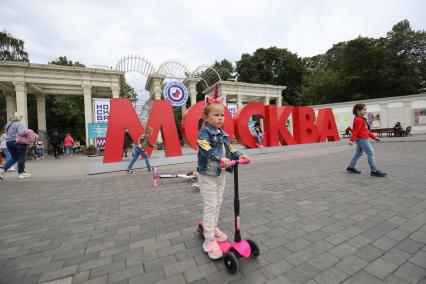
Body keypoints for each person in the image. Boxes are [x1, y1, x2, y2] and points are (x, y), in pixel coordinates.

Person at [197, 88, 250, 259]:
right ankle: (209, 239)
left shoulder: (224, 134)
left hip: (220, 173)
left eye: (222, 115)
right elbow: (206, 149)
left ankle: (211, 226)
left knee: (218, 202)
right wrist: (220, 157)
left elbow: (231, 148)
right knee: (211, 205)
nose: (220, 118)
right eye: (216, 115)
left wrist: (240, 156)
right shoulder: (203, 133)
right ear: (206, 118)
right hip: (208, 174)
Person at [347, 104, 387, 177]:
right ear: (358, 111)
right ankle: (374, 171)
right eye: (364, 110)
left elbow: (366, 130)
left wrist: (374, 137)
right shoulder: (359, 119)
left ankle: (351, 167)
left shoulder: (360, 119)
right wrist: (351, 140)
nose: (366, 111)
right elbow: (356, 131)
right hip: (362, 139)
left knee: (358, 153)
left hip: (361, 139)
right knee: (370, 153)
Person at [0, 112, 32, 180]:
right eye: (20, 117)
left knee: (14, 158)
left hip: (8, 142)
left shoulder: (8, 124)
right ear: (17, 117)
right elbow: (21, 133)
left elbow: (6, 132)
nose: (21, 118)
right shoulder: (19, 124)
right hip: (18, 142)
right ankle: (20, 173)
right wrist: (28, 131)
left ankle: (2, 171)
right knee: (21, 157)